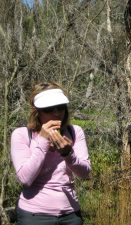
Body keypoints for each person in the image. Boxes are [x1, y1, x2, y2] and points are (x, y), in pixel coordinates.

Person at [11, 82, 91, 225]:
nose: (56, 113)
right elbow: (25, 178)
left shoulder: (75, 132)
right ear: (37, 112)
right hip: (34, 215)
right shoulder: (22, 135)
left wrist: (69, 154)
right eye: (48, 109)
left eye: (60, 107)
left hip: (70, 214)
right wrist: (42, 140)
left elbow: (85, 173)